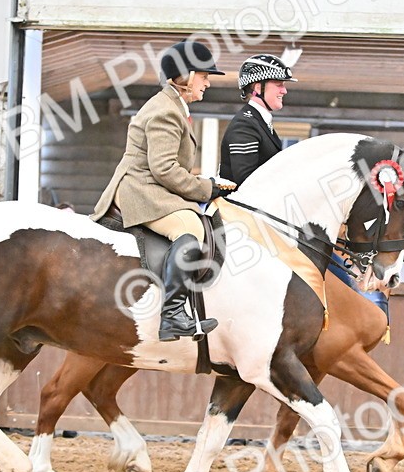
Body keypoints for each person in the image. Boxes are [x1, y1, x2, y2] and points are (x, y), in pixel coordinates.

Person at [92, 38, 234, 342]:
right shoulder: (165, 111)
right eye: (204, 76)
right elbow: (164, 169)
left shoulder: (172, 106)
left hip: (150, 184)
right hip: (141, 190)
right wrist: (206, 188)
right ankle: (172, 315)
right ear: (185, 77)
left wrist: (207, 182)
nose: (208, 84)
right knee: (191, 227)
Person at [219, 54, 297, 186]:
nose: (284, 91)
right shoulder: (244, 125)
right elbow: (246, 180)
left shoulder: (258, 121)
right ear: (257, 87)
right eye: (279, 84)